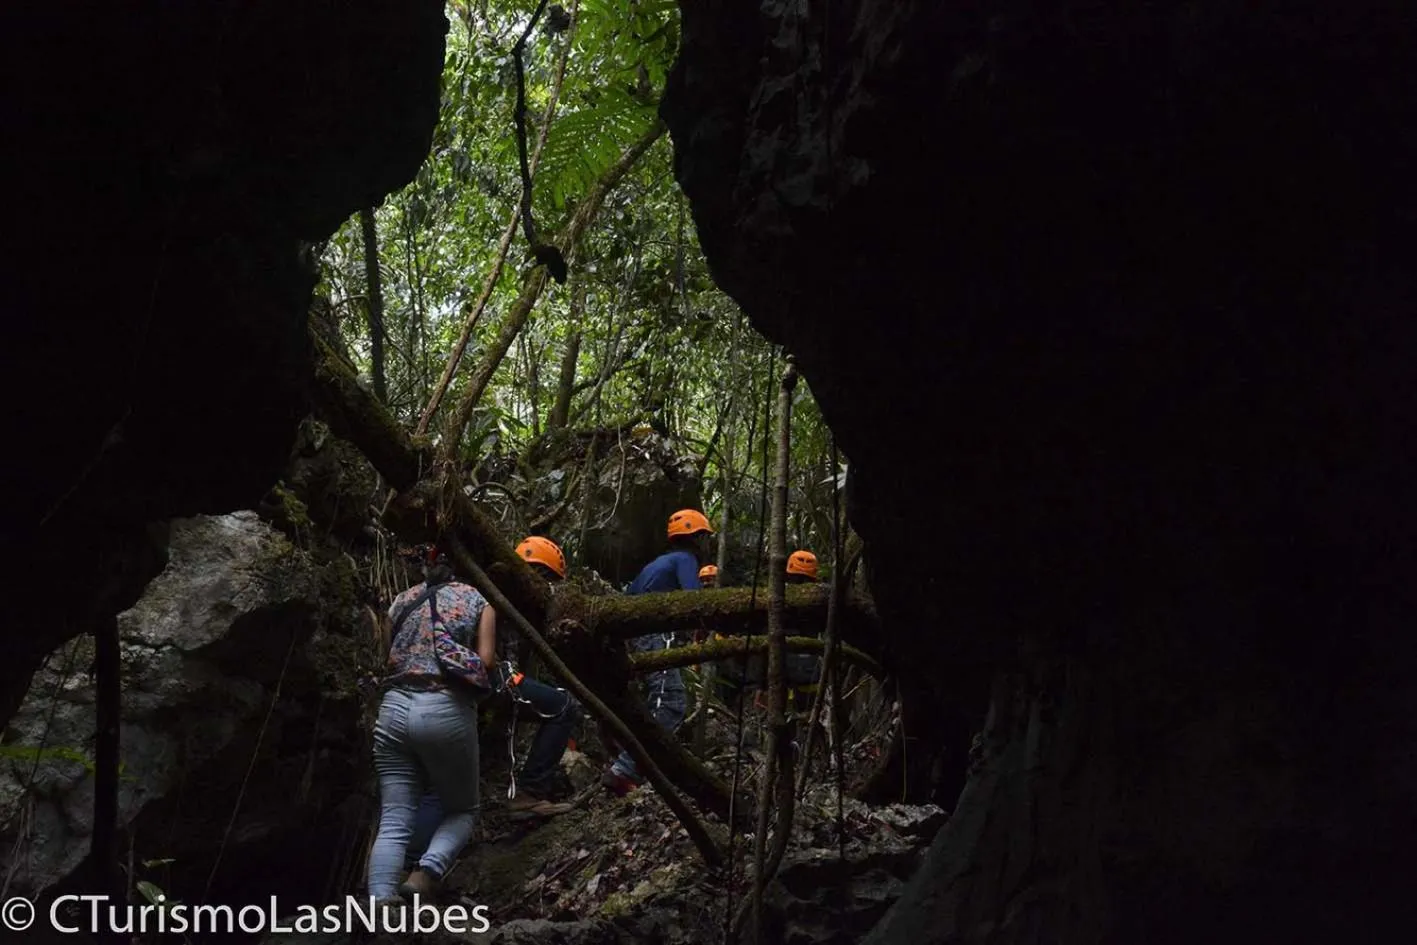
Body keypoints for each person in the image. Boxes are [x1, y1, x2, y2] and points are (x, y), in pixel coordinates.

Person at [404, 537, 579, 862]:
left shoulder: (447, 593)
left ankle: (409, 865)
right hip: (484, 680)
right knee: (563, 706)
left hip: (426, 692)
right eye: (545, 579)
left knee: (435, 787)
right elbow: (490, 656)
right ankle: (529, 793)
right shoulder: (495, 597)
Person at [368, 545, 495, 904]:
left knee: (394, 817)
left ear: (426, 567)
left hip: (392, 709)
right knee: (463, 810)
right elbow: (485, 660)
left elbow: (384, 654)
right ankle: (425, 873)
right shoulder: (477, 599)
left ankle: (378, 903)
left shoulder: (401, 600)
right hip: (444, 708)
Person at [601, 509, 713, 795]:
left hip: (634, 638)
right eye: (705, 537)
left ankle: (630, 764)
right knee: (671, 702)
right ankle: (624, 769)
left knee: (651, 701)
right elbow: (694, 601)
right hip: (655, 636)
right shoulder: (686, 560)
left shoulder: (657, 563)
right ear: (697, 538)